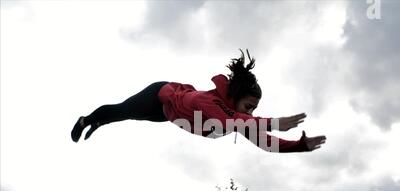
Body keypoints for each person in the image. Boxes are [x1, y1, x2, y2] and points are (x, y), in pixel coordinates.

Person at [71, 49, 326, 153]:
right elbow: (230, 120)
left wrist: (299, 146)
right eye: (249, 106)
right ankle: (89, 120)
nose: (250, 113)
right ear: (235, 98)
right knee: (122, 111)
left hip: (167, 114)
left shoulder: (241, 121)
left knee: (123, 116)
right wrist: (274, 122)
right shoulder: (209, 103)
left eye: (253, 110)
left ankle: (100, 122)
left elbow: (265, 143)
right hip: (160, 96)